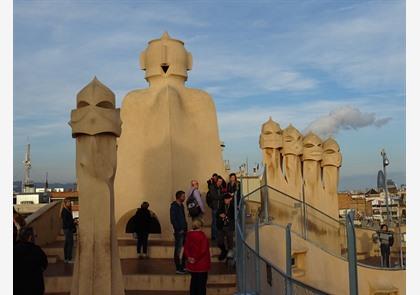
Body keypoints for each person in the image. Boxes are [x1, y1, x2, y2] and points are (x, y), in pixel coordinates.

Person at [14, 227, 48, 295]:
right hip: (34, 288)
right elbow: (44, 265)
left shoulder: (13, 250)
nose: (35, 238)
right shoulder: (36, 251)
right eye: (35, 236)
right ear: (30, 237)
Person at [184, 218, 211, 295]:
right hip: (202, 264)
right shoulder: (202, 236)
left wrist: (189, 258)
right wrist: (196, 259)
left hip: (192, 265)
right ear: (201, 226)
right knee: (201, 286)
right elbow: (203, 250)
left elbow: (186, 248)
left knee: (193, 283)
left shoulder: (188, 235)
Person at [170, 190, 188, 274]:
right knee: (178, 250)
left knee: (185, 249)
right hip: (179, 231)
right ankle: (178, 268)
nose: (184, 198)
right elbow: (173, 219)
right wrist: (178, 229)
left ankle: (183, 266)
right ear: (179, 197)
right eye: (183, 196)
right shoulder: (174, 206)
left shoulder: (181, 206)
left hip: (184, 230)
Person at [216, 193, 235, 261]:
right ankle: (224, 251)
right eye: (224, 199)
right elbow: (217, 214)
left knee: (229, 239)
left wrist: (226, 217)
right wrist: (220, 215)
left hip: (229, 226)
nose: (225, 200)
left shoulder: (233, 207)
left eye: (227, 199)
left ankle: (229, 252)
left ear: (230, 199)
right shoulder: (221, 206)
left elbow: (233, 217)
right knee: (219, 241)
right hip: (221, 225)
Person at [207, 176, 224, 240]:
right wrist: (223, 196)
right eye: (219, 181)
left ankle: (217, 236)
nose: (220, 183)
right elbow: (215, 197)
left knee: (218, 222)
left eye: (221, 182)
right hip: (215, 208)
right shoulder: (212, 187)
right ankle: (214, 236)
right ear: (216, 181)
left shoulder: (220, 187)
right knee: (214, 222)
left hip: (219, 208)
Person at [61, 198, 76, 263]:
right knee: (70, 243)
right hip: (67, 229)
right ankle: (68, 259)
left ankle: (66, 258)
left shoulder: (67, 210)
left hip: (67, 228)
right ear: (65, 203)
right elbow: (66, 221)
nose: (70, 203)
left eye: (70, 202)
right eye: (68, 202)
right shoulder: (64, 211)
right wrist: (73, 223)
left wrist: (73, 221)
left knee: (67, 243)